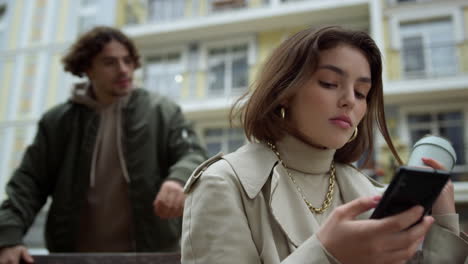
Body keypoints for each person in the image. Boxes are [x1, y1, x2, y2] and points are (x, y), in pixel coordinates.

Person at [181, 26, 468, 263]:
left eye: (361, 92)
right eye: (330, 83)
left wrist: (443, 223)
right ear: (284, 92)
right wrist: (325, 254)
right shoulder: (222, 185)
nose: (349, 100)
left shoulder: (372, 194)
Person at [0, 26, 207, 263]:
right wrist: (7, 238)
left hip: (149, 255)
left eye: (128, 61)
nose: (123, 70)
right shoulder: (57, 122)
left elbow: (193, 153)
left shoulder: (162, 111)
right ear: (88, 68)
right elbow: (28, 184)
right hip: (75, 258)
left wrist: (178, 179)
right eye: (110, 62)